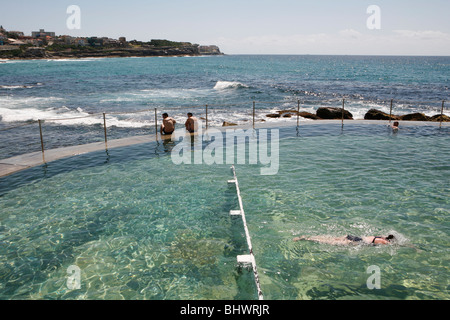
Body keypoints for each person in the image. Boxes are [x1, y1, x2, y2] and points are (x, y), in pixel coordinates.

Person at [293, 234, 395, 246]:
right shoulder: (384, 241)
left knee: (330, 238)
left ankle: (306, 237)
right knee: (327, 241)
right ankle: (306, 239)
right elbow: (392, 245)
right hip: (355, 242)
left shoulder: (381, 236)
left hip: (354, 237)